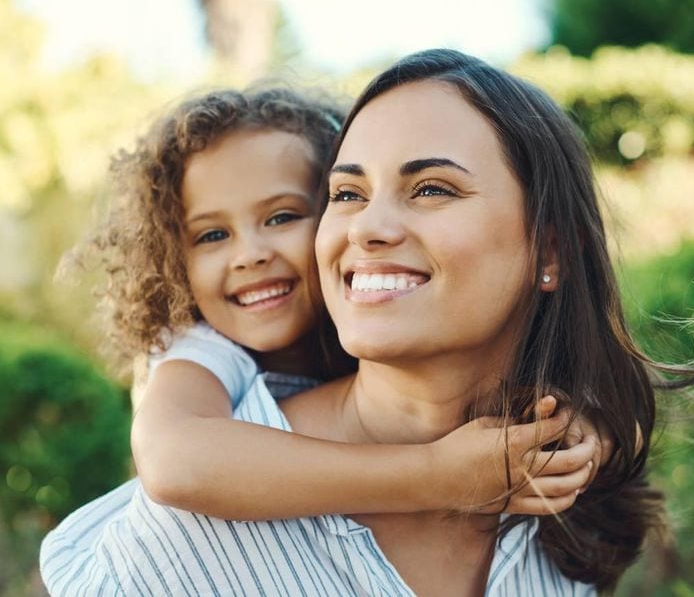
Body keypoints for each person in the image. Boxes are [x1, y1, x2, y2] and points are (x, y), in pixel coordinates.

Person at [41, 77, 618, 596]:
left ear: (551, 251)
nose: (251, 255)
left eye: (431, 189)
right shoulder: (202, 355)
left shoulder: (549, 498)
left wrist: (581, 431)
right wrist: (439, 476)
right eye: (350, 195)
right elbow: (174, 462)